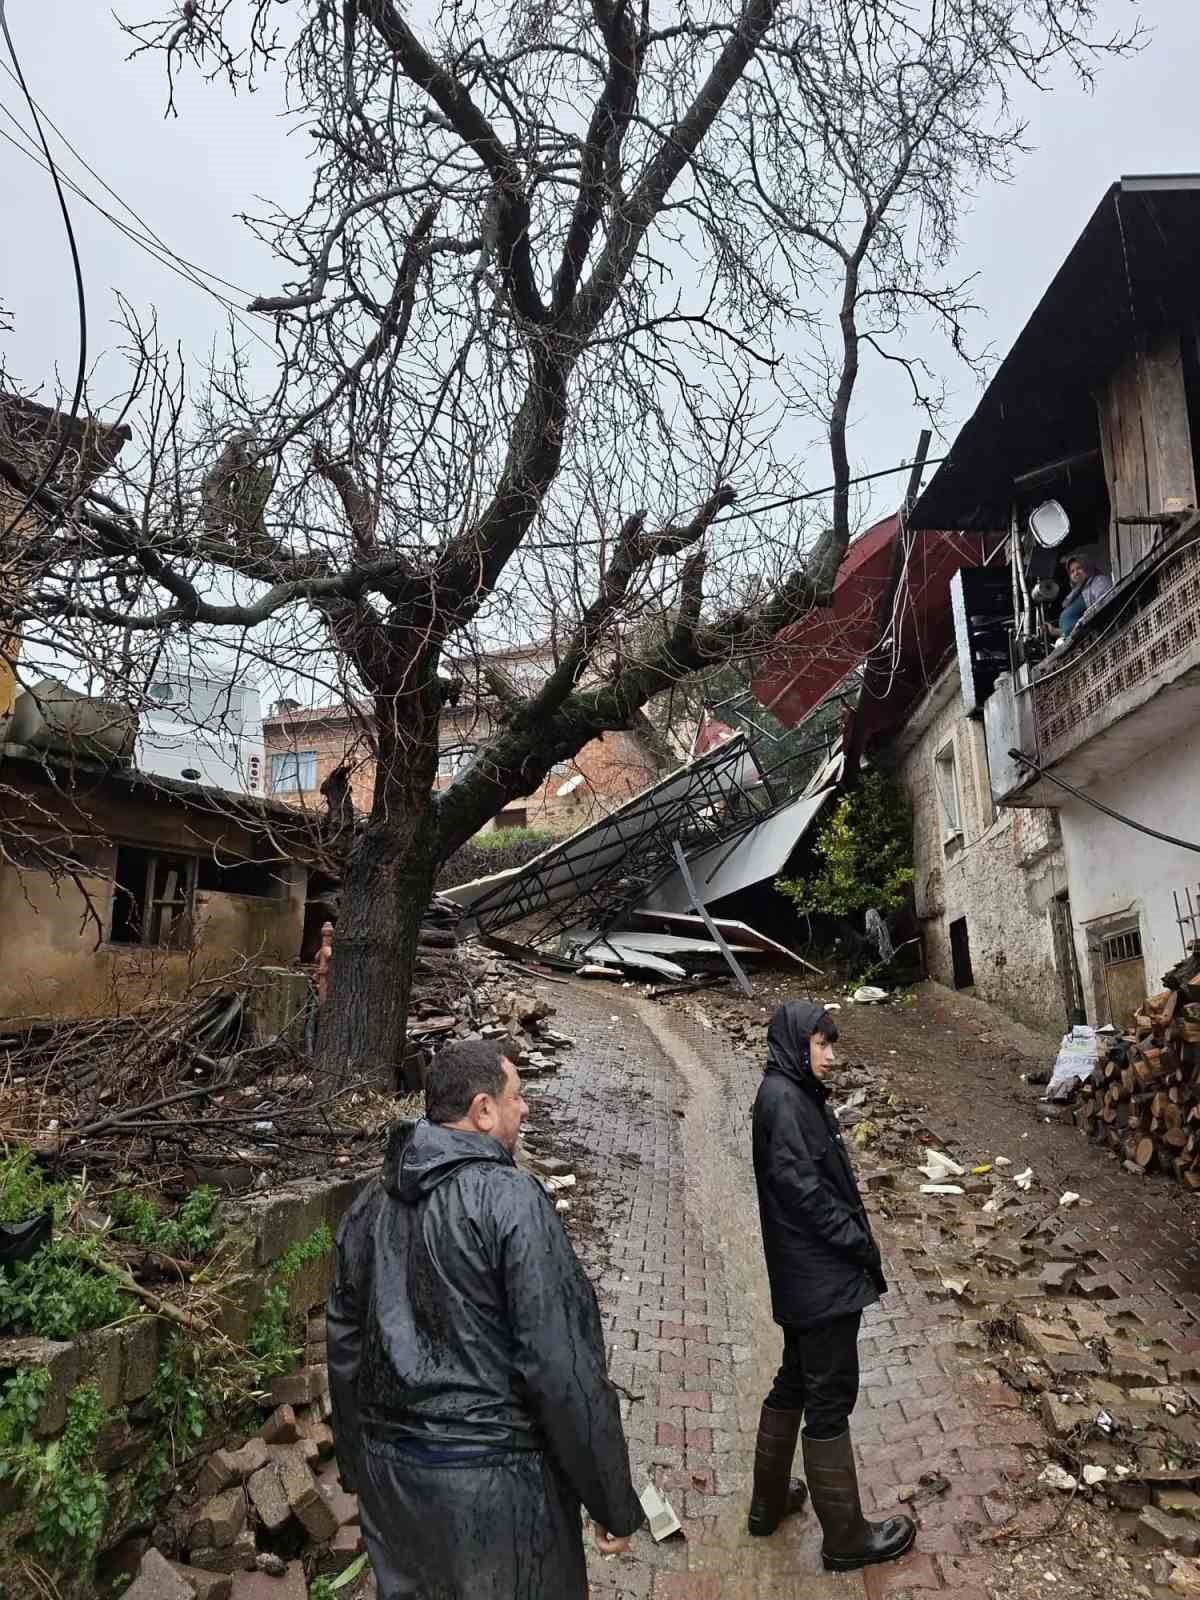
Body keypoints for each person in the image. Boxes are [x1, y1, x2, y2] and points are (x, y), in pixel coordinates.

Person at [327, 1038, 643, 1598]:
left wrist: (359, 1469)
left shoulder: (369, 1206)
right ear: (482, 1110)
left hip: (392, 1483)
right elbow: (561, 1366)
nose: (524, 1109)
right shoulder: (511, 1201)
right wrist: (611, 1499)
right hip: (497, 1494)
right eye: (516, 1096)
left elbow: (346, 1348)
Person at [747, 999, 915, 1572]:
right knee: (828, 1398)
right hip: (820, 1279)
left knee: (794, 1382)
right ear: (798, 1044)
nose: (831, 1057)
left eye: (830, 1045)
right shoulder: (786, 1100)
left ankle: (767, 1503)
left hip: (802, 1278)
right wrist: (857, 1241)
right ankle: (845, 1536)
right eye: (822, 1045)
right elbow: (804, 1191)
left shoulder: (788, 1095)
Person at [1056, 550, 1112, 641]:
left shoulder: (1099, 581)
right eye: (1072, 571)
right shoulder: (1077, 591)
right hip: (1077, 643)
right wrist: (1054, 631)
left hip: (1099, 636)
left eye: (1079, 568)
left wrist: (1083, 621)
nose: (1076, 573)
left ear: (1087, 566)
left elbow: (1104, 605)